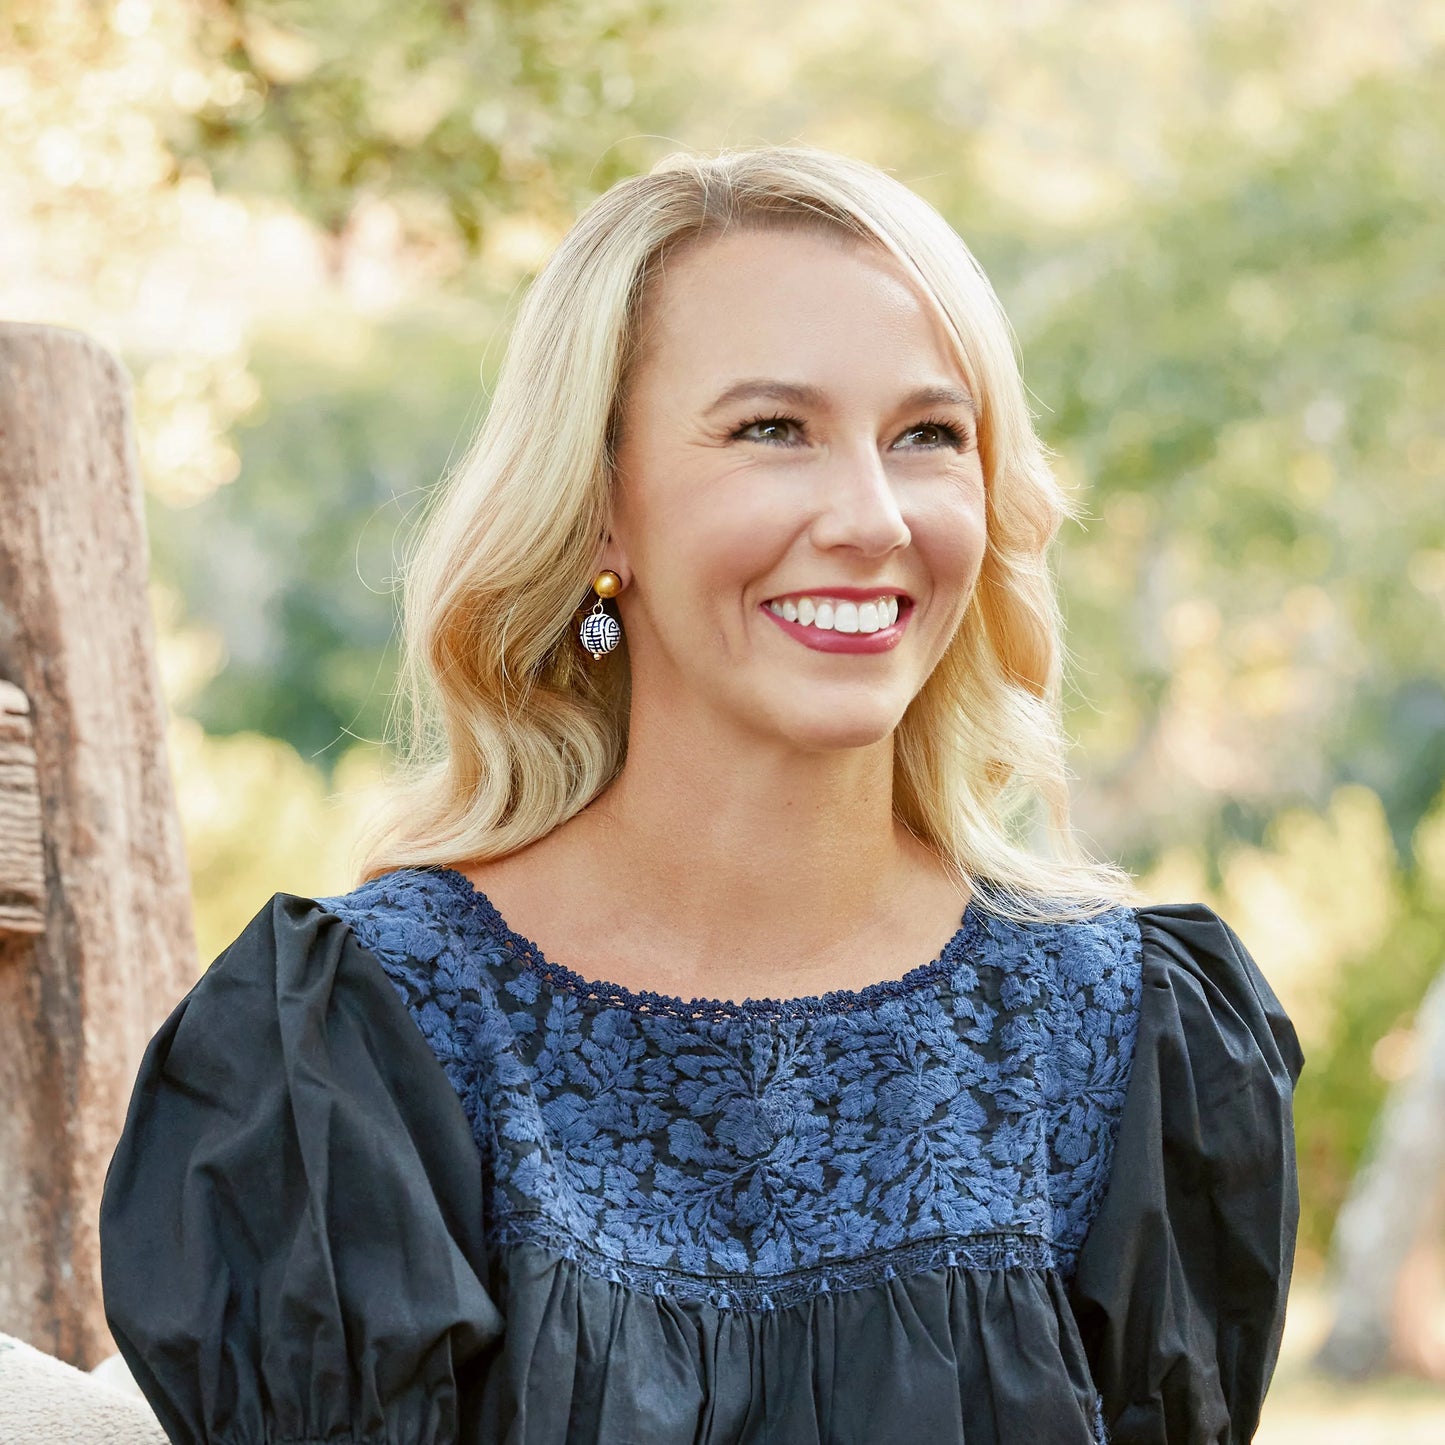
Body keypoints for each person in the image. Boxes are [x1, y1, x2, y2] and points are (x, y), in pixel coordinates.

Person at [99, 145, 1304, 1445]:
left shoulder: (1131, 1036)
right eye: (770, 429)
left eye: (927, 436)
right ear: (601, 507)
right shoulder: (357, 1045)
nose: (871, 515)